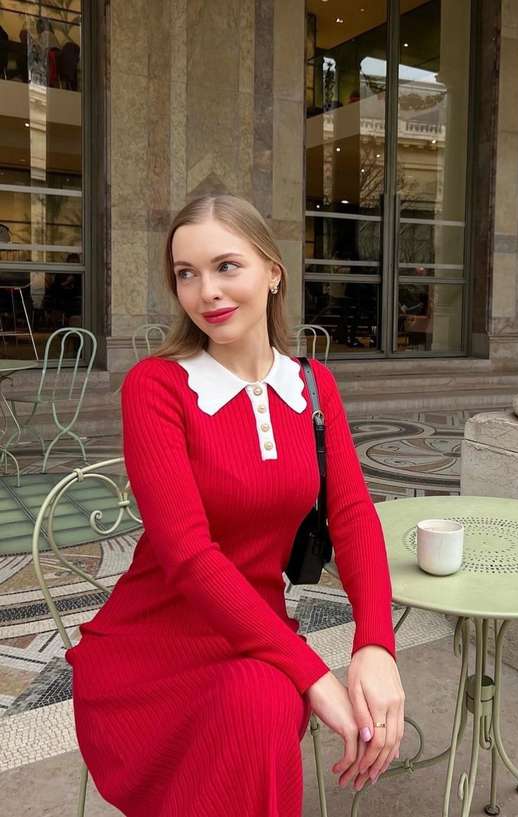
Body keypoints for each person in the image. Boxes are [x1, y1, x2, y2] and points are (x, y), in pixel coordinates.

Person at [65, 194, 405, 816]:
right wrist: (313, 674)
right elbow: (188, 554)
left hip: (255, 635)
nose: (207, 293)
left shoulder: (312, 386)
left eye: (226, 266)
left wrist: (375, 645)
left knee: (259, 704)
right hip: (153, 646)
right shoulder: (157, 386)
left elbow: (354, 515)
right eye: (186, 274)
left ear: (273, 272)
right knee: (263, 707)